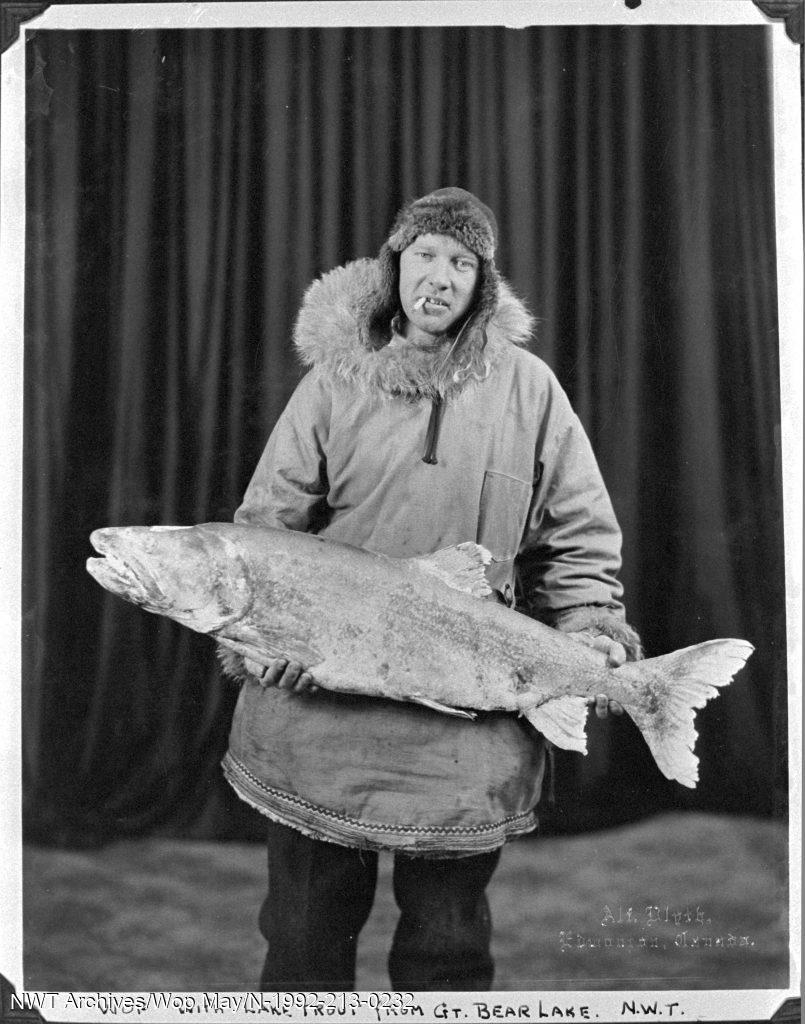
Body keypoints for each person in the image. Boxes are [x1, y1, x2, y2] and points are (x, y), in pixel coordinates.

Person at [220, 188, 643, 992]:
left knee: (446, 948)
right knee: (306, 937)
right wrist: (269, 641)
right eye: (424, 255)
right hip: (320, 715)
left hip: (464, 730)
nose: (439, 277)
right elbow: (264, 530)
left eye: (460, 261)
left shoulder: (529, 389)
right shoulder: (332, 383)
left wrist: (590, 624)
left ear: (481, 282)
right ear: (393, 268)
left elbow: (581, 532)